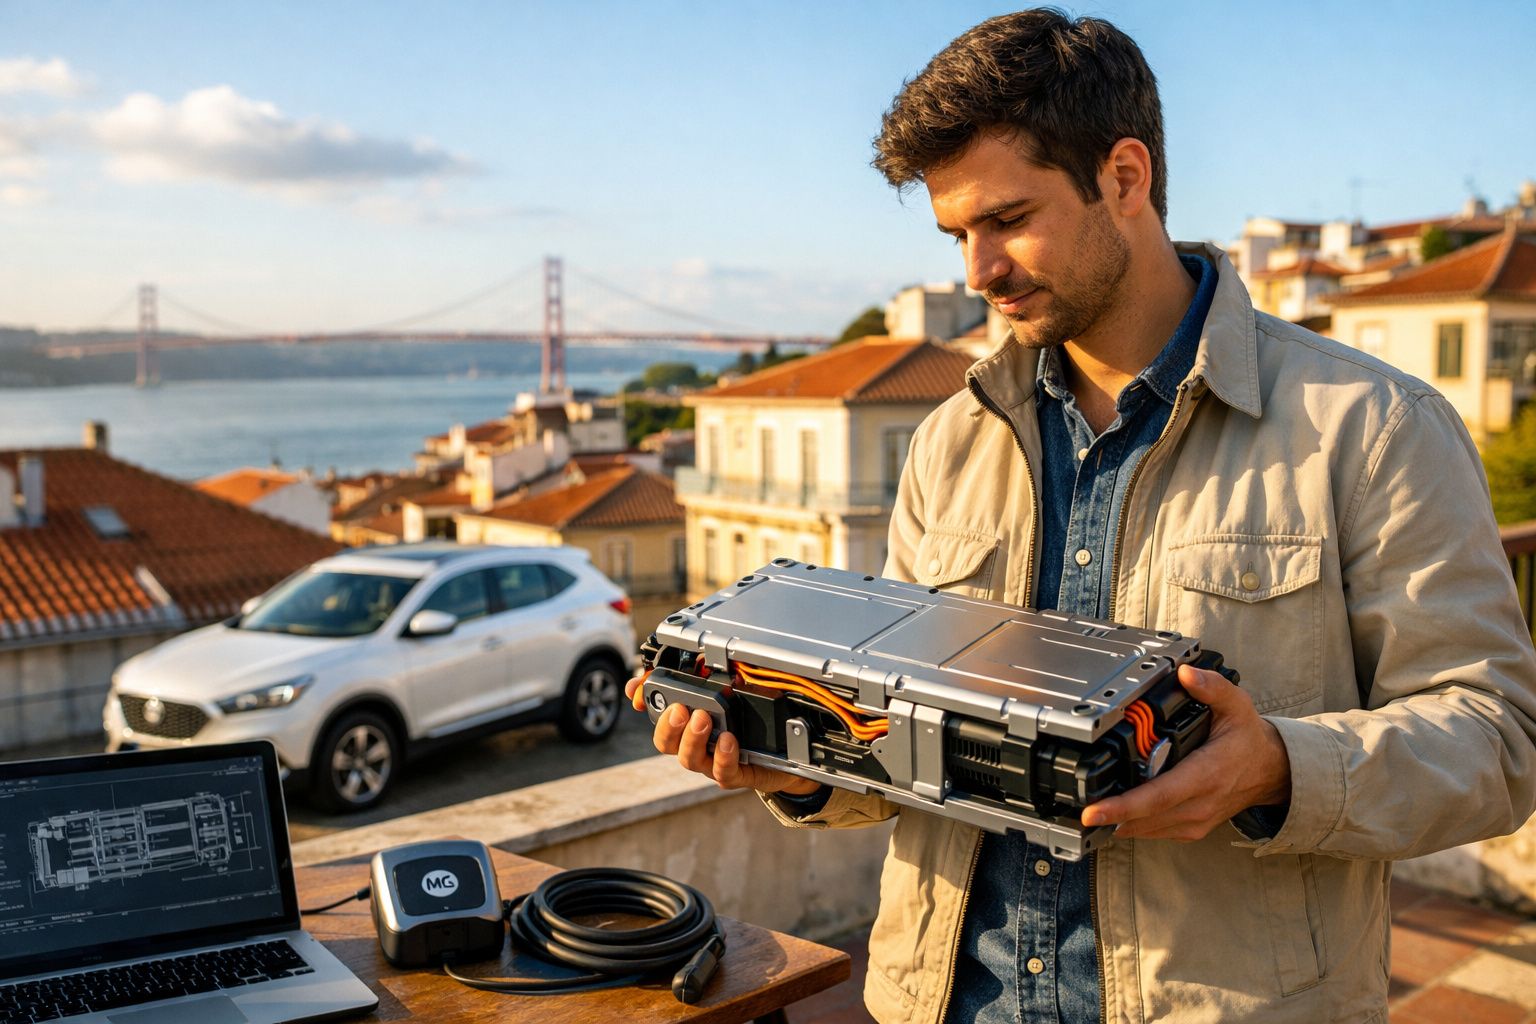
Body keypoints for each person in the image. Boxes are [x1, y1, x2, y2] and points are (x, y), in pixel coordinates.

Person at [627, 9, 1536, 1023]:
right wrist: (788, 761)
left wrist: (1278, 768)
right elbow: (902, 751)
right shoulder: (946, 445)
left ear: (1126, 177)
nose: (978, 271)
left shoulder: (1370, 428)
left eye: (1007, 218)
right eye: (958, 234)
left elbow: (1497, 741)